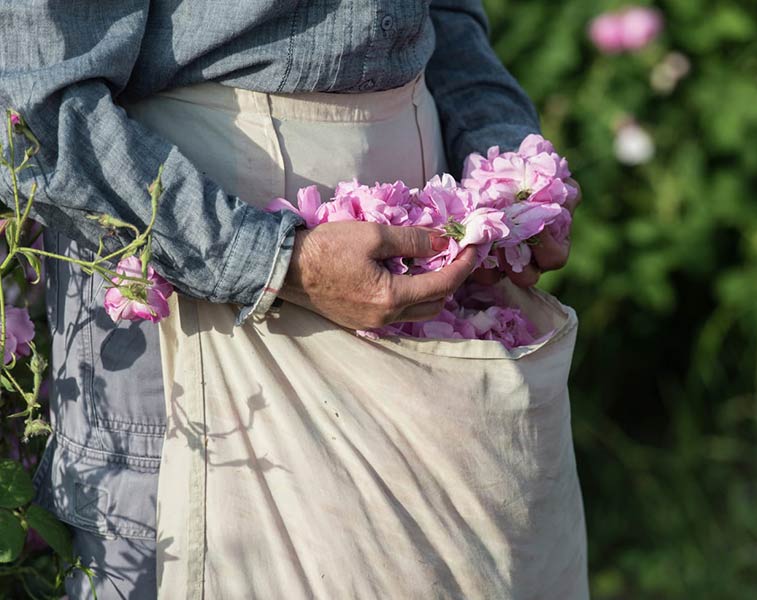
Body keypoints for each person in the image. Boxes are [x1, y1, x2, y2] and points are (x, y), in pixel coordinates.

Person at [0, 2, 583, 598]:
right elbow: (27, 100)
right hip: (199, 300)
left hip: (429, 297)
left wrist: (507, 162)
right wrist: (273, 262)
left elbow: (447, 14)